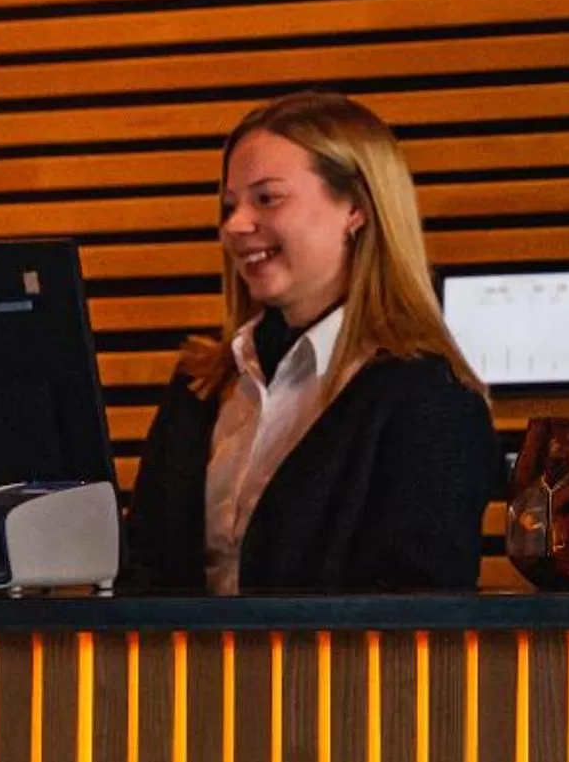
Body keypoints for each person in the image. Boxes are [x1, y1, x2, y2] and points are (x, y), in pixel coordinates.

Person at [125, 91, 500, 592]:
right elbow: (143, 572)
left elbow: (419, 622)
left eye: (267, 198)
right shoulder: (201, 385)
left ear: (357, 209)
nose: (235, 225)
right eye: (230, 205)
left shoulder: (429, 397)